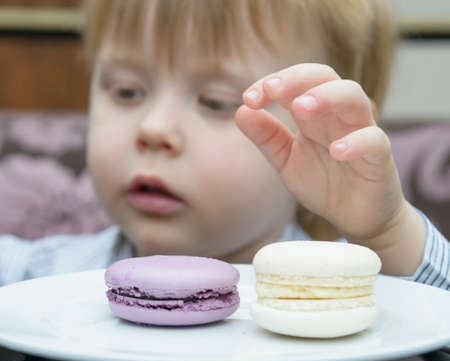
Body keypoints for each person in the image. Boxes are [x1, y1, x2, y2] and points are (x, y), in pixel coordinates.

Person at [0, 0, 448, 289]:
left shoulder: (346, 292)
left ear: (330, 132)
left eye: (216, 101)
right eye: (126, 91)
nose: (153, 128)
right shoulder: (40, 280)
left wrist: (388, 234)